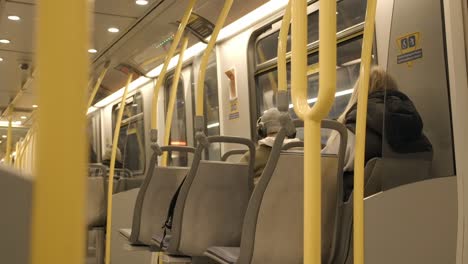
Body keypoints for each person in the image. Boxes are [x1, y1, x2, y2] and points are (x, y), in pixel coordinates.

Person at [322, 67, 432, 200]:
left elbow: (321, 175)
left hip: (356, 217)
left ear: (358, 93)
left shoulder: (349, 135)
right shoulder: (419, 137)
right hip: (407, 209)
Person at [240, 108, 299, 185]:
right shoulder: (302, 153)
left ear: (261, 130)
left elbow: (237, 185)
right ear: (291, 129)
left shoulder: (250, 157)